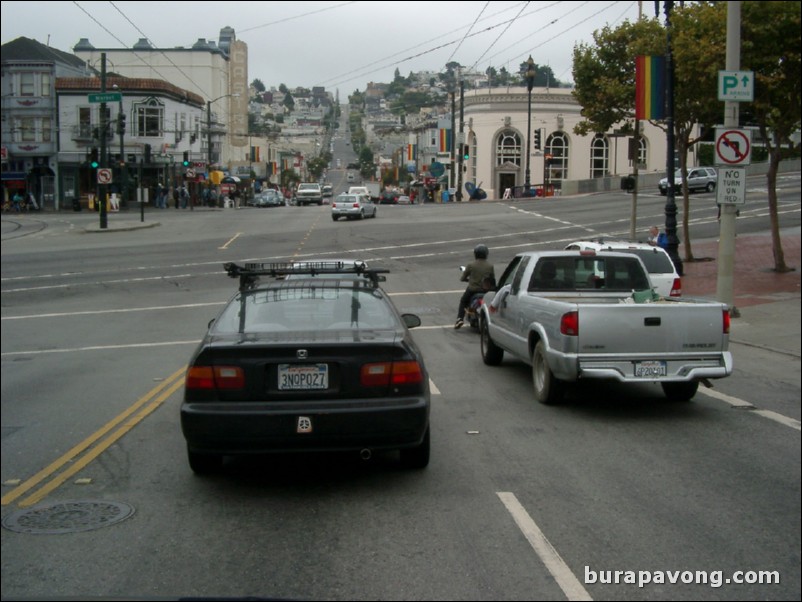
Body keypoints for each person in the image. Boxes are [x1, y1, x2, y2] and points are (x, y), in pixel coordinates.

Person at [455, 244, 495, 329]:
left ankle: (460, 319)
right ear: (486, 254)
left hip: (473, 290)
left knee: (463, 301)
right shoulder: (490, 266)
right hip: (485, 291)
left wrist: (470, 280)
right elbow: (492, 279)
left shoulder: (471, 265)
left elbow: (463, 278)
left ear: (475, 254)